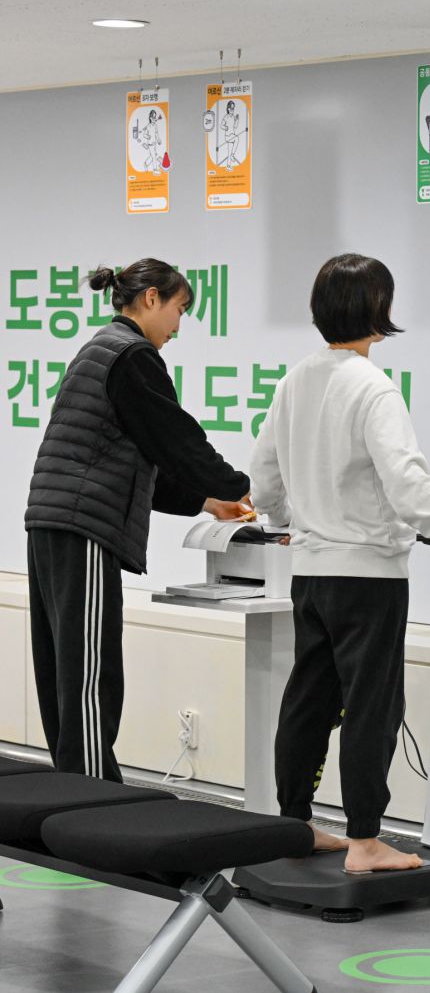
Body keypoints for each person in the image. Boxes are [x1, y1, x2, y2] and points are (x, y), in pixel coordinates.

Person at [250, 253, 430, 872]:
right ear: (378, 310)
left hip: (310, 572)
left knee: (309, 697)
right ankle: (365, 841)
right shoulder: (372, 386)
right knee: (371, 704)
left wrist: (284, 520)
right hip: (369, 576)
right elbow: (405, 479)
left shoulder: (295, 380)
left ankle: (295, 821)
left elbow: (263, 475)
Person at [25, 258, 253, 783]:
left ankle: (73, 788)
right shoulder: (133, 356)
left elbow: (132, 464)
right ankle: (90, 798)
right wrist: (238, 486)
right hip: (82, 528)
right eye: (179, 309)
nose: (179, 326)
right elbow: (177, 441)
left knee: (65, 671)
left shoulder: (101, 348)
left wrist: (208, 502)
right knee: (90, 675)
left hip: (55, 522)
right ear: (151, 298)